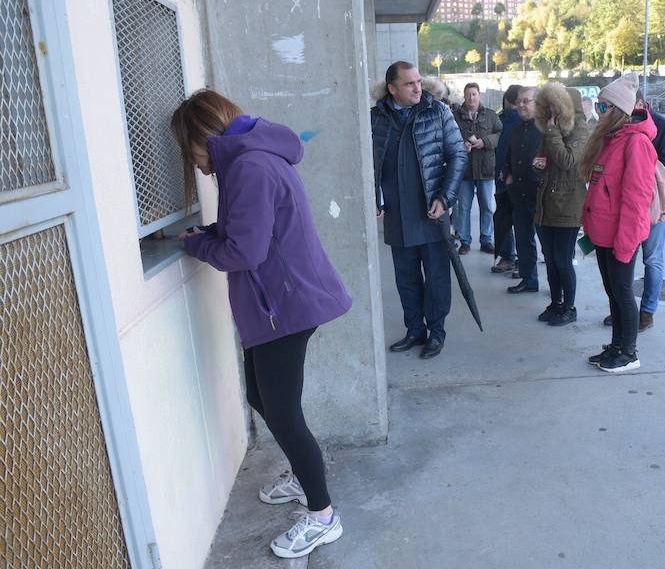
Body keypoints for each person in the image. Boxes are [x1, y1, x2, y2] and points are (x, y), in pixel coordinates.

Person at [172, 89, 350, 559]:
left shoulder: (247, 166)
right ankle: (303, 475)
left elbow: (245, 252)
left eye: (190, 152)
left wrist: (197, 247)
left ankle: (322, 515)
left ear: (203, 137)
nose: (195, 165)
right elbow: (249, 230)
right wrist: (209, 234)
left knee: (285, 415)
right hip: (279, 304)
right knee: (260, 396)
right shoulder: (247, 159)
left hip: (284, 308)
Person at [371, 61, 467, 359]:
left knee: (437, 277)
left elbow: (458, 155)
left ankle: (436, 332)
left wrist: (446, 197)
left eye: (418, 81)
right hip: (397, 214)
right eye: (409, 83)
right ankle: (414, 330)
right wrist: (373, 198)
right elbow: (366, 162)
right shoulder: (376, 118)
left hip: (432, 212)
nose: (417, 88)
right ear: (392, 89)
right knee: (406, 278)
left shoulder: (437, 112)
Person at [580, 72, 658, 373]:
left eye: (603, 107)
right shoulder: (611, 140)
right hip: (602, 235)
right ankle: (615, 346)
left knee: (623, 292)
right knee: (613, 292)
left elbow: (636, 201)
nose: (597, 112)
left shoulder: (635, 144)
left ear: (617, 111)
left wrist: (626, 244)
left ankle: (629, 352)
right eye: (597, 107)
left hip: (619, 237)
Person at [602, 89, 665, 332]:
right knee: (623, 259)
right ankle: (623, 309)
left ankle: (647, 312)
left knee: (652, 259)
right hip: (624, 207)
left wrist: (642, 164)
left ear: (639, 102)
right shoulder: (617, 128)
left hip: (655, 207)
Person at [533, 84, 589, 325]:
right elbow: (544, 159)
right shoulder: (551, 129)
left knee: (563, 259)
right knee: (549, 257)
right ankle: (556, 303)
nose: (553, 110)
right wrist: (537, 163)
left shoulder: (580, 129)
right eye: (550, 106)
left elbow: (567, 160)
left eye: (557, 105)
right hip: (546, 204)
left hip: (568, 205)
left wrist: (552, 133)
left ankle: (570, 307)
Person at [501, 86, 543, 293]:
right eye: (519, 101)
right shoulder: (516, 128)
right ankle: (529, 279)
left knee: (550, 247)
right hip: (519, 194)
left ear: (538, 103)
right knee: (523, 241)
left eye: (527, 101)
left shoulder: (547, 129)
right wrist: (507, 175)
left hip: (542, 198)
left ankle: (559, 291)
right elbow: (508, 156)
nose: (521, 104)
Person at [452, 83, 503, 254]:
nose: (471, 98)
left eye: (474, 94)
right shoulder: (455, 116)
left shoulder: (490, 115)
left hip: (486, 168)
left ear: (479, 95)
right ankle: (465, 240)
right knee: (464, 207)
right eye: (468, 95)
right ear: (464, 96)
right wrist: (461, 145)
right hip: (464, 171)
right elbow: (449, 136)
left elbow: (500, 135)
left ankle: (486, 239)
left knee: (487, 206)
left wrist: (485, 142)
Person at [491, 84, 523, 274]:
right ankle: (513, 259)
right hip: (507, 180)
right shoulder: (503, 120)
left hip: (511, 181)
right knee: (509, 220)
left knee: (513, 221)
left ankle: (515, 259)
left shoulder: (520, 122)